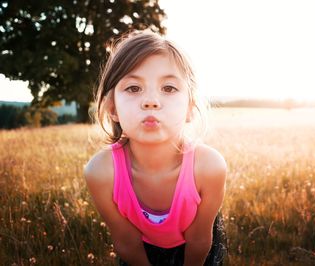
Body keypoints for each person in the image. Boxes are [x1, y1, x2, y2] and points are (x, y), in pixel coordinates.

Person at [84, 30, 227, 266]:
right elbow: (127, 241)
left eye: (169, 88)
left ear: (190, 107)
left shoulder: (209, 167)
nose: (151, 101)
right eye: (133, 88)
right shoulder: (100, 172)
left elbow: (200, 240)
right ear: (113, 109)